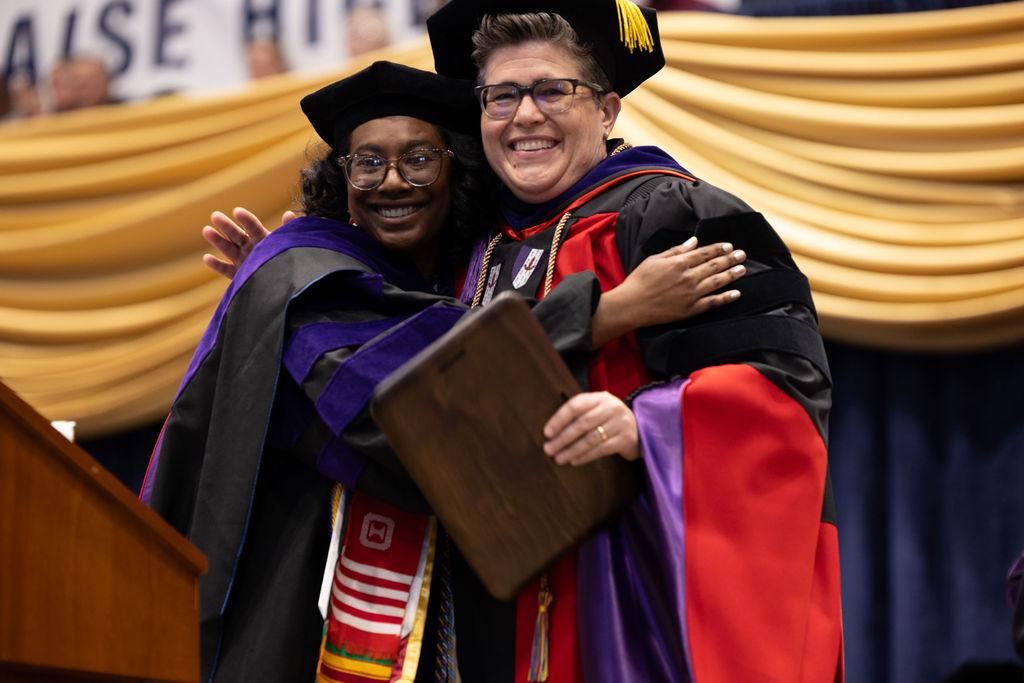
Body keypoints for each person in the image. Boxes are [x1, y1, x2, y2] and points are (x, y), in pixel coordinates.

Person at [146, 60, 746, 682]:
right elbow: (416, 399)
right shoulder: (308, 273)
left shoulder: (459, 273)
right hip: (301, 614)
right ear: (342, 180)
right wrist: (613, 309)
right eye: (368, 162)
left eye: (419, 159)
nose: (394, 182)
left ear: (455, 168)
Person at [423, 1, 843, 680]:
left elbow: (787, 387)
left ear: (609, 111)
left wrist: (645, 423)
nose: (524, 115)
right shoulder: (471, 249)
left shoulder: (677, 213)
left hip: (627, 593)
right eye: (501, 95)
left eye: (553, 90)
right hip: (483, 602)